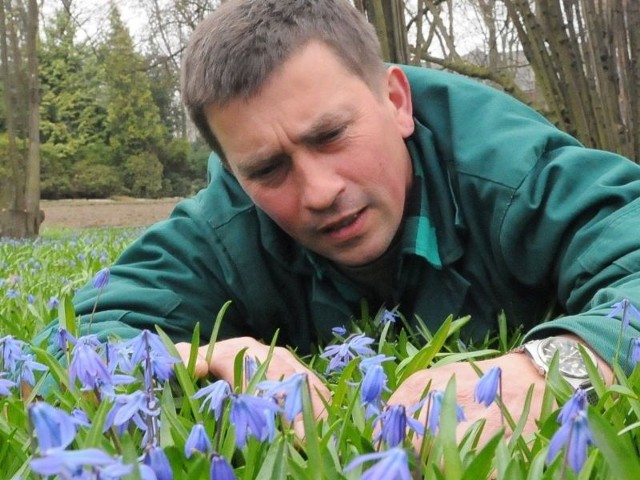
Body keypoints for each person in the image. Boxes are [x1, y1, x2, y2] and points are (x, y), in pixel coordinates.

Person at [39, 0, 640, 440]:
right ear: (233, 171)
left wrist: (552, 365)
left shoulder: (510, 174)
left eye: (330, 135)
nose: (320, 192)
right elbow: (59, 352)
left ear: (396, 102)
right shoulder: (224, 226)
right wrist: (197, 362)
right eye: (269, 169)